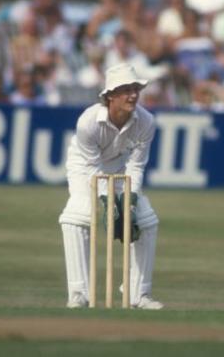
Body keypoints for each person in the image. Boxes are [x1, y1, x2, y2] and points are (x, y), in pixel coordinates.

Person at [58, 63, 163, 310]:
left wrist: (130, 200)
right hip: (84, 168)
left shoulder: (146, 121)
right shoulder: (89, 121)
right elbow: (92, 168)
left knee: (146, 220)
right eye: (126, 89)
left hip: (120, 170)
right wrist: (109, 203)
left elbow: (136, 166)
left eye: (135, 88)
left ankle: (139, 294)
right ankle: (79, 293)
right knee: (78, 216)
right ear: (110, 96)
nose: (133, 94)